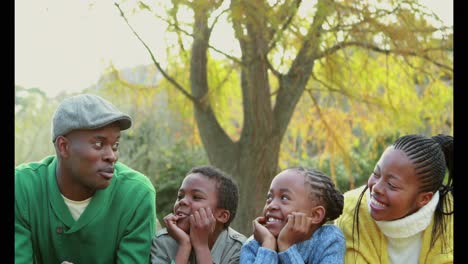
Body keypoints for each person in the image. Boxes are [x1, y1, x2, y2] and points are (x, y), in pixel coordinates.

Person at [15, 94, 157, 264]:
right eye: (99, 144)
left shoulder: (136, 195)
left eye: (115, 145)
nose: (112, 156)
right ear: (64, 147)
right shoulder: (22, 188)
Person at [335, 134, 454, 263]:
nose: (376, 187)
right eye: (376, 173)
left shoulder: (449, 215)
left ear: (424, 199)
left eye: (392, 185)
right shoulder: (351, 209)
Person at [240, 167, 345, 263]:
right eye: (269, 197)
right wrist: (267, 245)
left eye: (284, 198)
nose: (271, 205)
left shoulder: (329, 239)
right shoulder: (253, 245)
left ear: (315, 215)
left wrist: (286, 246)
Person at [150, 165, 247, 264]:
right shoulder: (163, 242)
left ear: (222, 216)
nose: (182, 201)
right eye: (180, 196)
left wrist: (201, 247)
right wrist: (184, 245)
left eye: (196, 197)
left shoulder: (239, 249)